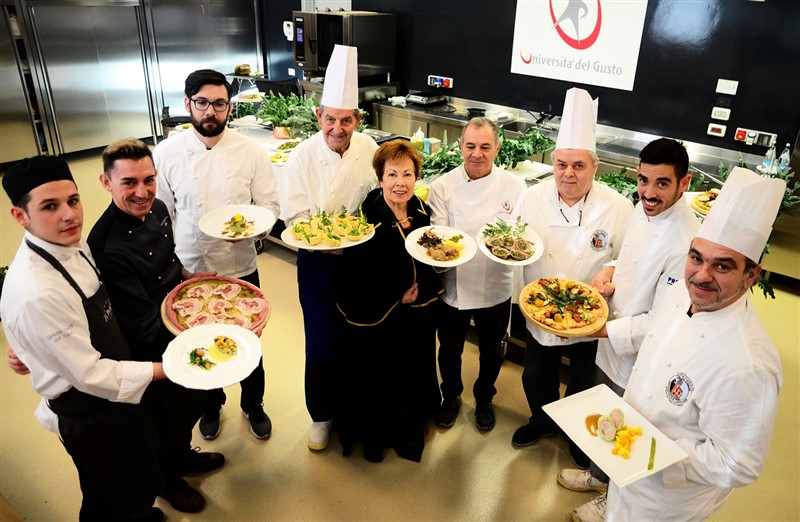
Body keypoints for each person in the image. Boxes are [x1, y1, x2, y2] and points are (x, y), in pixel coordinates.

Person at [605, 166, 785, 521]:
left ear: (752, 275)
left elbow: (739, 464)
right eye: (696, 257)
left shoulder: (748, 363)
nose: (701, 276)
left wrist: (654, 453)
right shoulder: (681, 291)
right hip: (624, 466)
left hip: (667, 499)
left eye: (722, 266)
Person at [0, 156, 165, 521]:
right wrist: (168, 368)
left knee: (129, 480)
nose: (69, 215)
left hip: (112, 391)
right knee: (106, 495)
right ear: (19, 216)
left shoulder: (68, 244)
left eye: (73, 200)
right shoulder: (36, 291)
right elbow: (90, 375)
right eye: (49, 206)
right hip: (88, 411)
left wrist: (32, 349)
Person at [555, 138, 701, 521]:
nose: (649, 193)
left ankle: (614, 502)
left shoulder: (687, 241)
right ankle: (598, 476)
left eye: (662, 183)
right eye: (643, 180)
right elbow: (629, 256)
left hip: (642, 353)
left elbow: (667, 319)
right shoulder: (643, 210)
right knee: (608, 412)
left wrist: (603, 330)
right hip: (613, 335)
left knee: (628, 429)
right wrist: (610, 270)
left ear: (684, 183)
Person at [87, 139, 225, 513]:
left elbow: (170, 259)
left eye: (149, 180)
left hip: (177, 318)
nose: (142, 192)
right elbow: (144, 324)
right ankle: (166, 477)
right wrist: (205, 323)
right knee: (165, 416)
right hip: (149, 339)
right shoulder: (106, 245)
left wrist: (191, 279)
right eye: (129, 183)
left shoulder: (159, 207)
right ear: (106, 182)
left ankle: (182, 457)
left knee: (193, 399)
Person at [154, 69, 280, 440]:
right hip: (189, 265)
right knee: (196, 340)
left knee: (249, 339)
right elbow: (161, 215)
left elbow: (269, 205)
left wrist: (253, 231)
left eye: (220, 104)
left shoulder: (250, 151)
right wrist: (168, 264)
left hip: (240, 264)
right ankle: (210, 406)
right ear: (188, 104)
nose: (211, 111)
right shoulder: (168, 152)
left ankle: (252, 403)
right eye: (203, 103)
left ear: (229, 106)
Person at [511, 88, 633, 465]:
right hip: (540, 308)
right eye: (562, 163)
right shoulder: (531, 198)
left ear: (595, 167)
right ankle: (542, 421)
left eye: (579, 165)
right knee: (535, 375)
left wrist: (612, 269)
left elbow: (628, 256)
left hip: (588, 313)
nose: (568, 173)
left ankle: (578, 435)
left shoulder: (617, 206)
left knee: (584, 381)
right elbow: (512, 241)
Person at [281, 45, 378, 451]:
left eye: (347, 120)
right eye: (331, 119)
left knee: (357, 338)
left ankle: (353, 413)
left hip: (360, 261)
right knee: (320, 337)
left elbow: (377, 202)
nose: (338, 128)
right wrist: (326, 234)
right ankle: (321, 416)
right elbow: (295, 216)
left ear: (357, 119)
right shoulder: (301, 157)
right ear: (318, 116)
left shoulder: (369, 148)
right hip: (318, 265)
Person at [334, 140, 443, 462]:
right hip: (379, 315)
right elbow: (355, 272)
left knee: (417, 363)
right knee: (385, 370)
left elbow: (431, 253)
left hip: (420, 309)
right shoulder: (366, 217)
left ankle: (414, 419)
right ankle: (379, 433)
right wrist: (396, 295)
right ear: (380, 178)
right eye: (392, 174)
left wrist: (420, 286)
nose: (400, 183)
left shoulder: (423, 212)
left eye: (408, 174)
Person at [426, 117, 526, 431]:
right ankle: (451, 395)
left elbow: (519, 236)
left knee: (491, 348)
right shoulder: (442, 186)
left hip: (496, 283)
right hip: (453, 283)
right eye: (470, 146)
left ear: (497, 148)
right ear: (461, 147)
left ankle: (484, 398)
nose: (477, 154)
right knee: (450, 347)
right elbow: (438, 238)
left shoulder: (515, 186)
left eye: (485, 147)